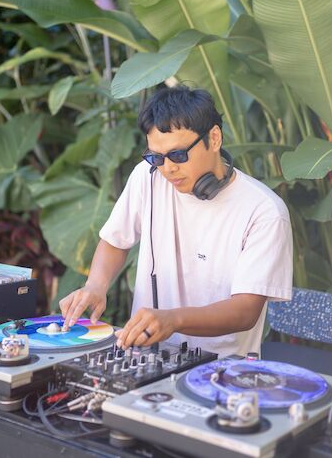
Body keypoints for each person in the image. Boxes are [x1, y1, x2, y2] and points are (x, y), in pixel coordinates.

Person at [60, 85, 292, 358]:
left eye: (178, 155)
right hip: (143, 356)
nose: (167, 168)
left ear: (214, 138)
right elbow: (115, 241)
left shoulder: (264, 211)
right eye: (156, 157)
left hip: (220, 371)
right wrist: (95, 286)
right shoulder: (147, 177)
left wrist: (173, 320)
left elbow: (245, 311)